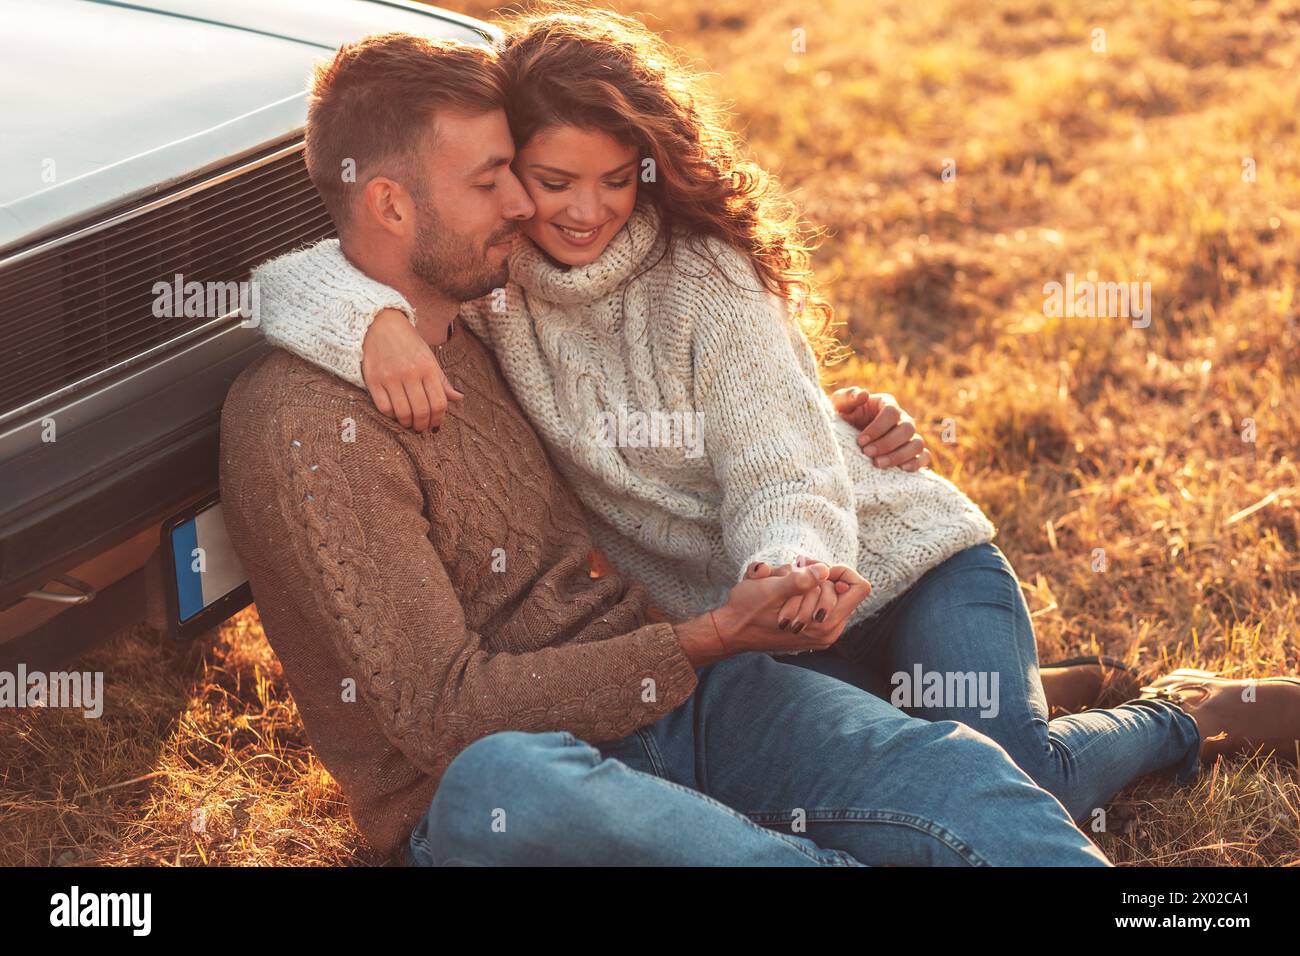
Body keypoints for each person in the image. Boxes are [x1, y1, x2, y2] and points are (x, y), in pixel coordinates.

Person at [250, 10, 1300, 831]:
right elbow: (299, 273)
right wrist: (369, 322)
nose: (582, 208)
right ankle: (976, 692)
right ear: (506, 175)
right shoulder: (493, 281)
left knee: (1012, 776)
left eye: (616, 180)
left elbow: (780, 467)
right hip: (769, 637)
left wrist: (789, 565)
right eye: (549, 179)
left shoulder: (703, 278)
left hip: (885, 562)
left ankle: (1183, 712)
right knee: (875, 770)